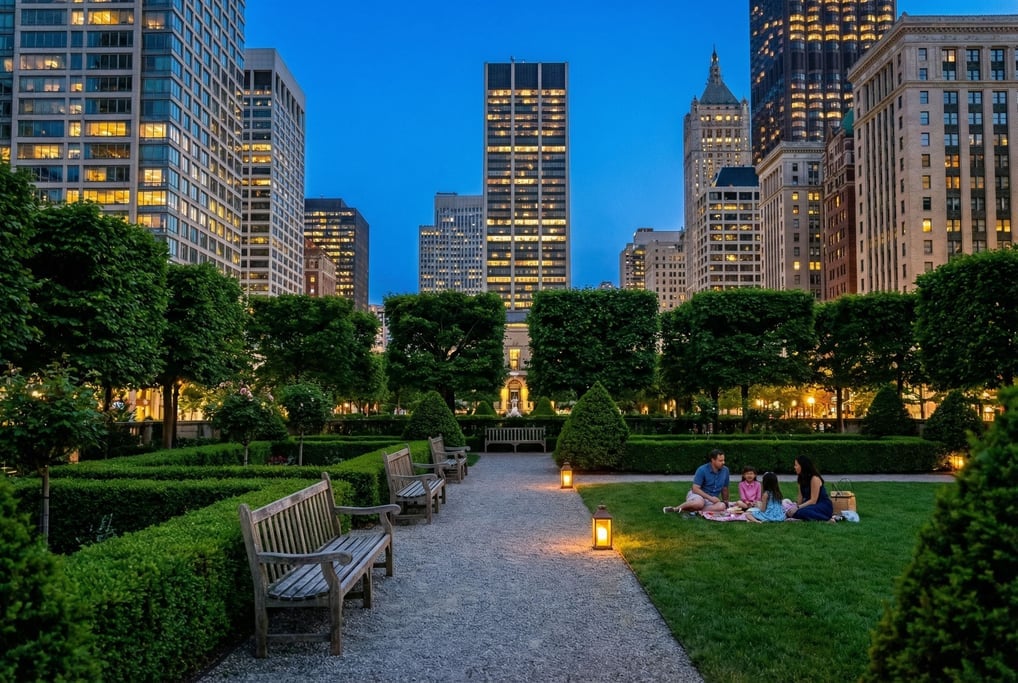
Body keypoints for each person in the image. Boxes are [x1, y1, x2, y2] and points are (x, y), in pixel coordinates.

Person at [663, 449, 729, 514]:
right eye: (720, 461)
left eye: (723, 460)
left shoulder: (725, 470)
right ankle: (676, 509)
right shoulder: (702, 470)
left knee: (722, 506)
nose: (723, 462)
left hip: (712, 500)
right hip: (698, 495)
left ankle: (695, 510)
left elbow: (724, 488)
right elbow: (695, 489)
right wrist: (711, 498)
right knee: (699, 503)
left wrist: (726, 502)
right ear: (713, 460)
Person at [787, 455, 834, 521]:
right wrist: (794, 508)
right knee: (793, 512)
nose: (794, 467)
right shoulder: (801, 479)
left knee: (803, 512)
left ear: (802, 466)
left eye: (796, 465)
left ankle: (828, 519)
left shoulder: (814, 478)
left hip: (822, 506)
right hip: (810, 506)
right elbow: (800, 498)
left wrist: (798, 507)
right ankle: (802, 519)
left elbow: (813, 500)